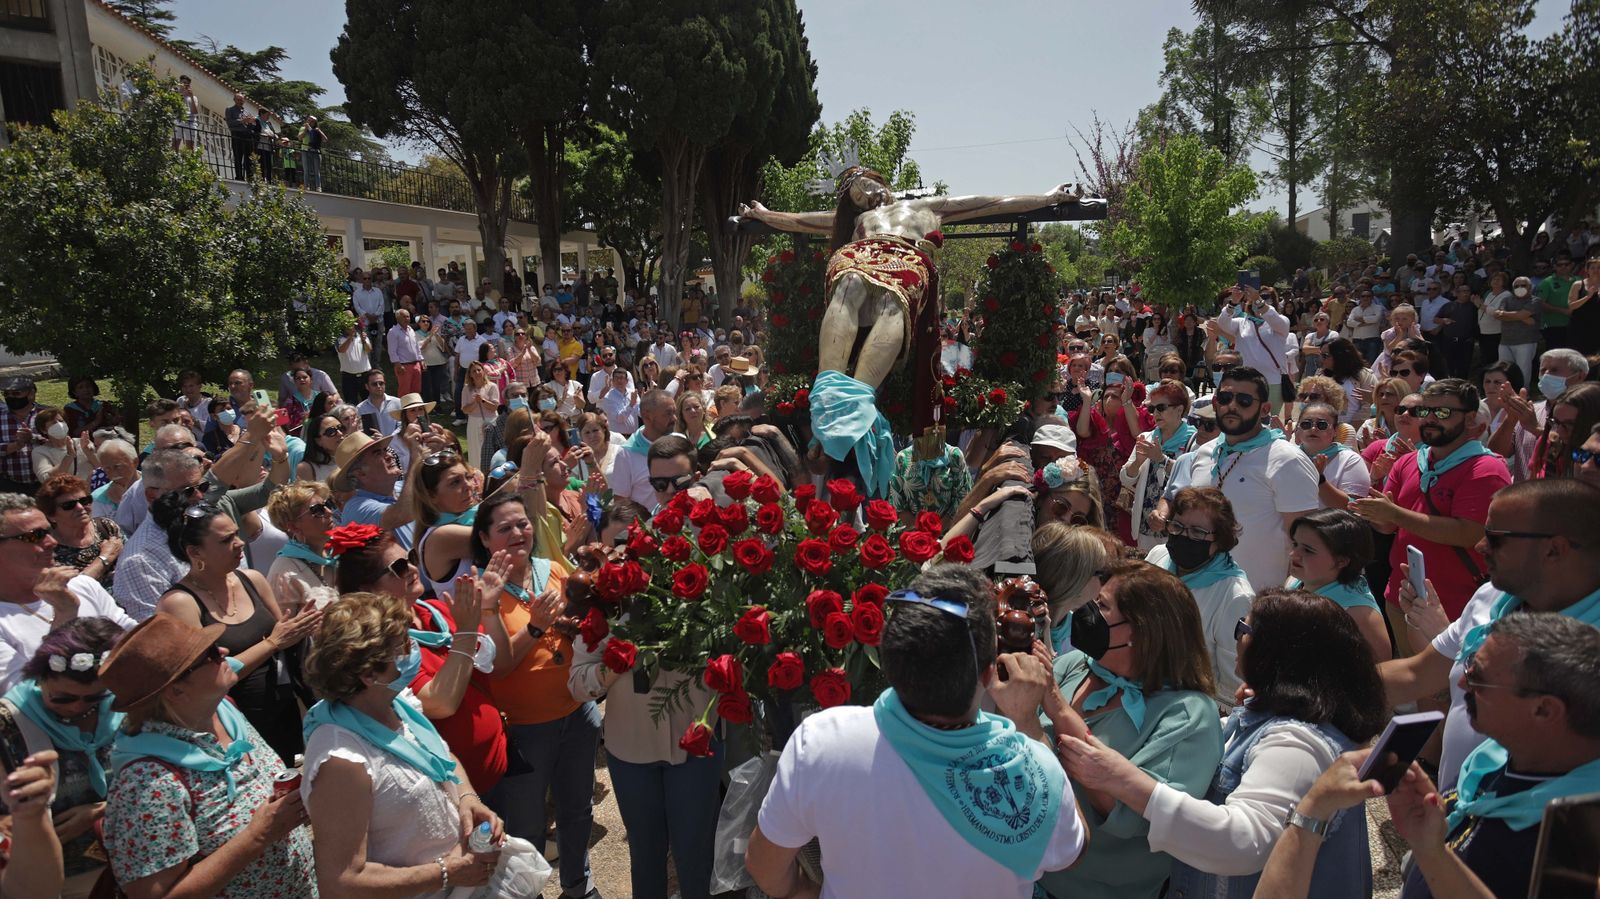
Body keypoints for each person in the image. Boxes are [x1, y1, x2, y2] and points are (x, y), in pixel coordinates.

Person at [747, 565, 1086, 899]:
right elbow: (1074, 847)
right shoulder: (1032, 768)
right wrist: (1027, 720)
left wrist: (808, 891)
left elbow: (765, 868)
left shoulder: (821, 743)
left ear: (890, 658)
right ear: (987, 674)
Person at [1059, 588, 1386, 899]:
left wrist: (1119, 779)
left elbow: (1243, 843)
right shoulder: (1269, 716)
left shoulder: (1296, 744)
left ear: (1275, 652)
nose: (1239, 638)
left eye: (1244, 628)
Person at [1278, 613, 1600, 899]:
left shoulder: (1578, 842)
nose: (1461, 681)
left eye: (1479, 677)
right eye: (1469, 664)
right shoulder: (1492, 761)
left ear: (1544, 710)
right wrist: (1427, 845)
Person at [1037, 560, 1223, 898]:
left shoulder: (1188, 714)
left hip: (1093, 890)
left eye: (1102, 607)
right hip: (1032, 869)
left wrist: (1056, 706)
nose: (1087, 612)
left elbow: (1137, 817)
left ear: (1139, 630)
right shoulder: (1073, 666)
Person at [300, 590, 504, 896]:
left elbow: (441, 756)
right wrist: (448, 873)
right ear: (369, 674)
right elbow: (341, 881)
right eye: (403, 647)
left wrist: (467, 798)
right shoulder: (341, 760)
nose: (413, 651)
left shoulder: (398, 703)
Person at [100, 613, 315, 898]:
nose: (224, 651)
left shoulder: (224, 712)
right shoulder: (147, 781)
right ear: (176, 690)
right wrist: (258, 836)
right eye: (210, 654)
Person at [472, 495, 602, 899]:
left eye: (523, 524)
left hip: (577, 713)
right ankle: (528, 892)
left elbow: (582, 623)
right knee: (525, 824)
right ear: (484, 538)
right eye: (504, 528)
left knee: (577, 809)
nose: (517, 533)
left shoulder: (554, 571)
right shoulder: (481, 592)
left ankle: (578, 885)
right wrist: (535, 627)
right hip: (525, 729)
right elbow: (500, 667)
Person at [333, 524, 513, 796]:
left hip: (497, 762)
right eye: (400, 567)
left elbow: (500, 666)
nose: (414, 569)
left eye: (412, 558)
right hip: (455, 789)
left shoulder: (438, 610)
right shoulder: (382, 648)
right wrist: (466, 629)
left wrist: (488, 610)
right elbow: (439, 703)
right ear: (366, 589)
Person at [1352, 379, 1509, 657]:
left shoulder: (1486, 469)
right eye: (1426, 411)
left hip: (1456, 605)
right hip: (1401, 597)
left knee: (1450, 690)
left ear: (1471, 419)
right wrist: (1374, 513)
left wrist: (1393, 513)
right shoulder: (1409, 461)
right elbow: (1388, 526)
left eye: (1444, 413)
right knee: (1420, 689)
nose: (1432, 419)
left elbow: (1469, 533)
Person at [154, 502, 321, 762]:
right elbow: (205, 676)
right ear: (195, 552)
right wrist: (273, 643)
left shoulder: (252, 579)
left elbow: (285, 636)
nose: (240, 543)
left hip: (286, 710)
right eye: (226, 540)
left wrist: (302, 626)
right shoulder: (179, 603)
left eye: (237, 533)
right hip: (236, 724)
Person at [1163, 366, 1319, 590]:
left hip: (1258, 602)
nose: (1232, 406)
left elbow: (1306, 542)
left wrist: (1285, 600)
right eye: (1225, 398)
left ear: (1265, 408)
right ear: (1216, 403)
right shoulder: (1204, 453)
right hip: (1197, 592)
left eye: (1244, 400)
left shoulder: (1287, 460)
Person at [0, 617, 122, 897]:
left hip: (131, 862)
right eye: (63, 698)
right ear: (39, 677)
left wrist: (101, 810)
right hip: (51, 880)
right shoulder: (8, 723)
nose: (78, 707)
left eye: (94, 698)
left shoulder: (125, 709)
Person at [0, 493, 134, 693]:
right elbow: (27, 698)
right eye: (34, 536)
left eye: (48, 531)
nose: (52, 542)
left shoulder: (83, 586)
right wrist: (64, 616)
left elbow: (136, 642)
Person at [1143, 487, 1255, 707]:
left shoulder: (1235, 596)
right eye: (1177, 526)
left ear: (1220, 539)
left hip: (1186, 707)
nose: (1184, 537)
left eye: (1197, 532)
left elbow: (1231, 686)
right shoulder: (1158, 557)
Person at [1286, 509, 1392, 661]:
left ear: (1342, 561)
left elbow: (1381, 673)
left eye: (1308, 550)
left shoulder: (1359, 615)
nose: (1293, 554)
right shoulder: (1294, 582)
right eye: (1295, 544)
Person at [1120, 380, 1192, 551]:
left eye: (1161, 408)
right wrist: (1137, 462)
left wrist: (1162, 460)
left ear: (1179, 409)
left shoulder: (1193, 440)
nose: (1155, 414)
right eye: (1152, 409)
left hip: (1177, 526)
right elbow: (1125, 479)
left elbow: (1192, 480)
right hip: (1146, 526)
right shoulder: (1147, 437)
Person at [37, 474, 121, 587]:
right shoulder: (47, 550)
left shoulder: (107, 526)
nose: (80, 508)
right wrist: (105, 558)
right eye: (68, 505)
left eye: (84, 500)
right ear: (51, 515)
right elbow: (73, 588)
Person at [265, 483, 337, 607]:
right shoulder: (284, 574)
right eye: (318, 510)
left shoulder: (338, 552)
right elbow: (286, 624)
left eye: (327, 504)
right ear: (293, 526)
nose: (329, 512)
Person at [1295, 400, 1371, 510]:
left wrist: (1320, 480)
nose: (1313, 429)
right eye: (1306, 424)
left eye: (1322, 425)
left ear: (1335, 431)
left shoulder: (1350, 460)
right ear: (1298, 428)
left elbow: (1353, 508)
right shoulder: (1288, 455)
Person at [612, 391, 678, 509]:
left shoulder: (680, 440)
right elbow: (621, 503)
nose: (675, 418)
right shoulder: (626, 454)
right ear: (647, 416)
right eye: (668, 413)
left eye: (674, 412)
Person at [0, 375, 42, 496]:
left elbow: (60, 444)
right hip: (9, 485)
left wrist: (33, 438)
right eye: (6, 394)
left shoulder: (46, 414)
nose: (11, 397)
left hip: (45, 484)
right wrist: (16, 445)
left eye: (16, 393)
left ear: (31, 394)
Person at [1495, 275, 1541, 384]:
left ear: (1530, 287)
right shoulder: (1506, 299)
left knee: (1523, 371)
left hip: (1526, 342)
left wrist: (1506, 314)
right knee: (1504, 371)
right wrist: (1521, 316)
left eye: (1523, 285)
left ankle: (1523, 394)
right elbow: (1497, 315)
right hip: (1505, 342)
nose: (1519, 287)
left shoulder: (1535, 300)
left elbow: (1520, 315)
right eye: (1516, 286)